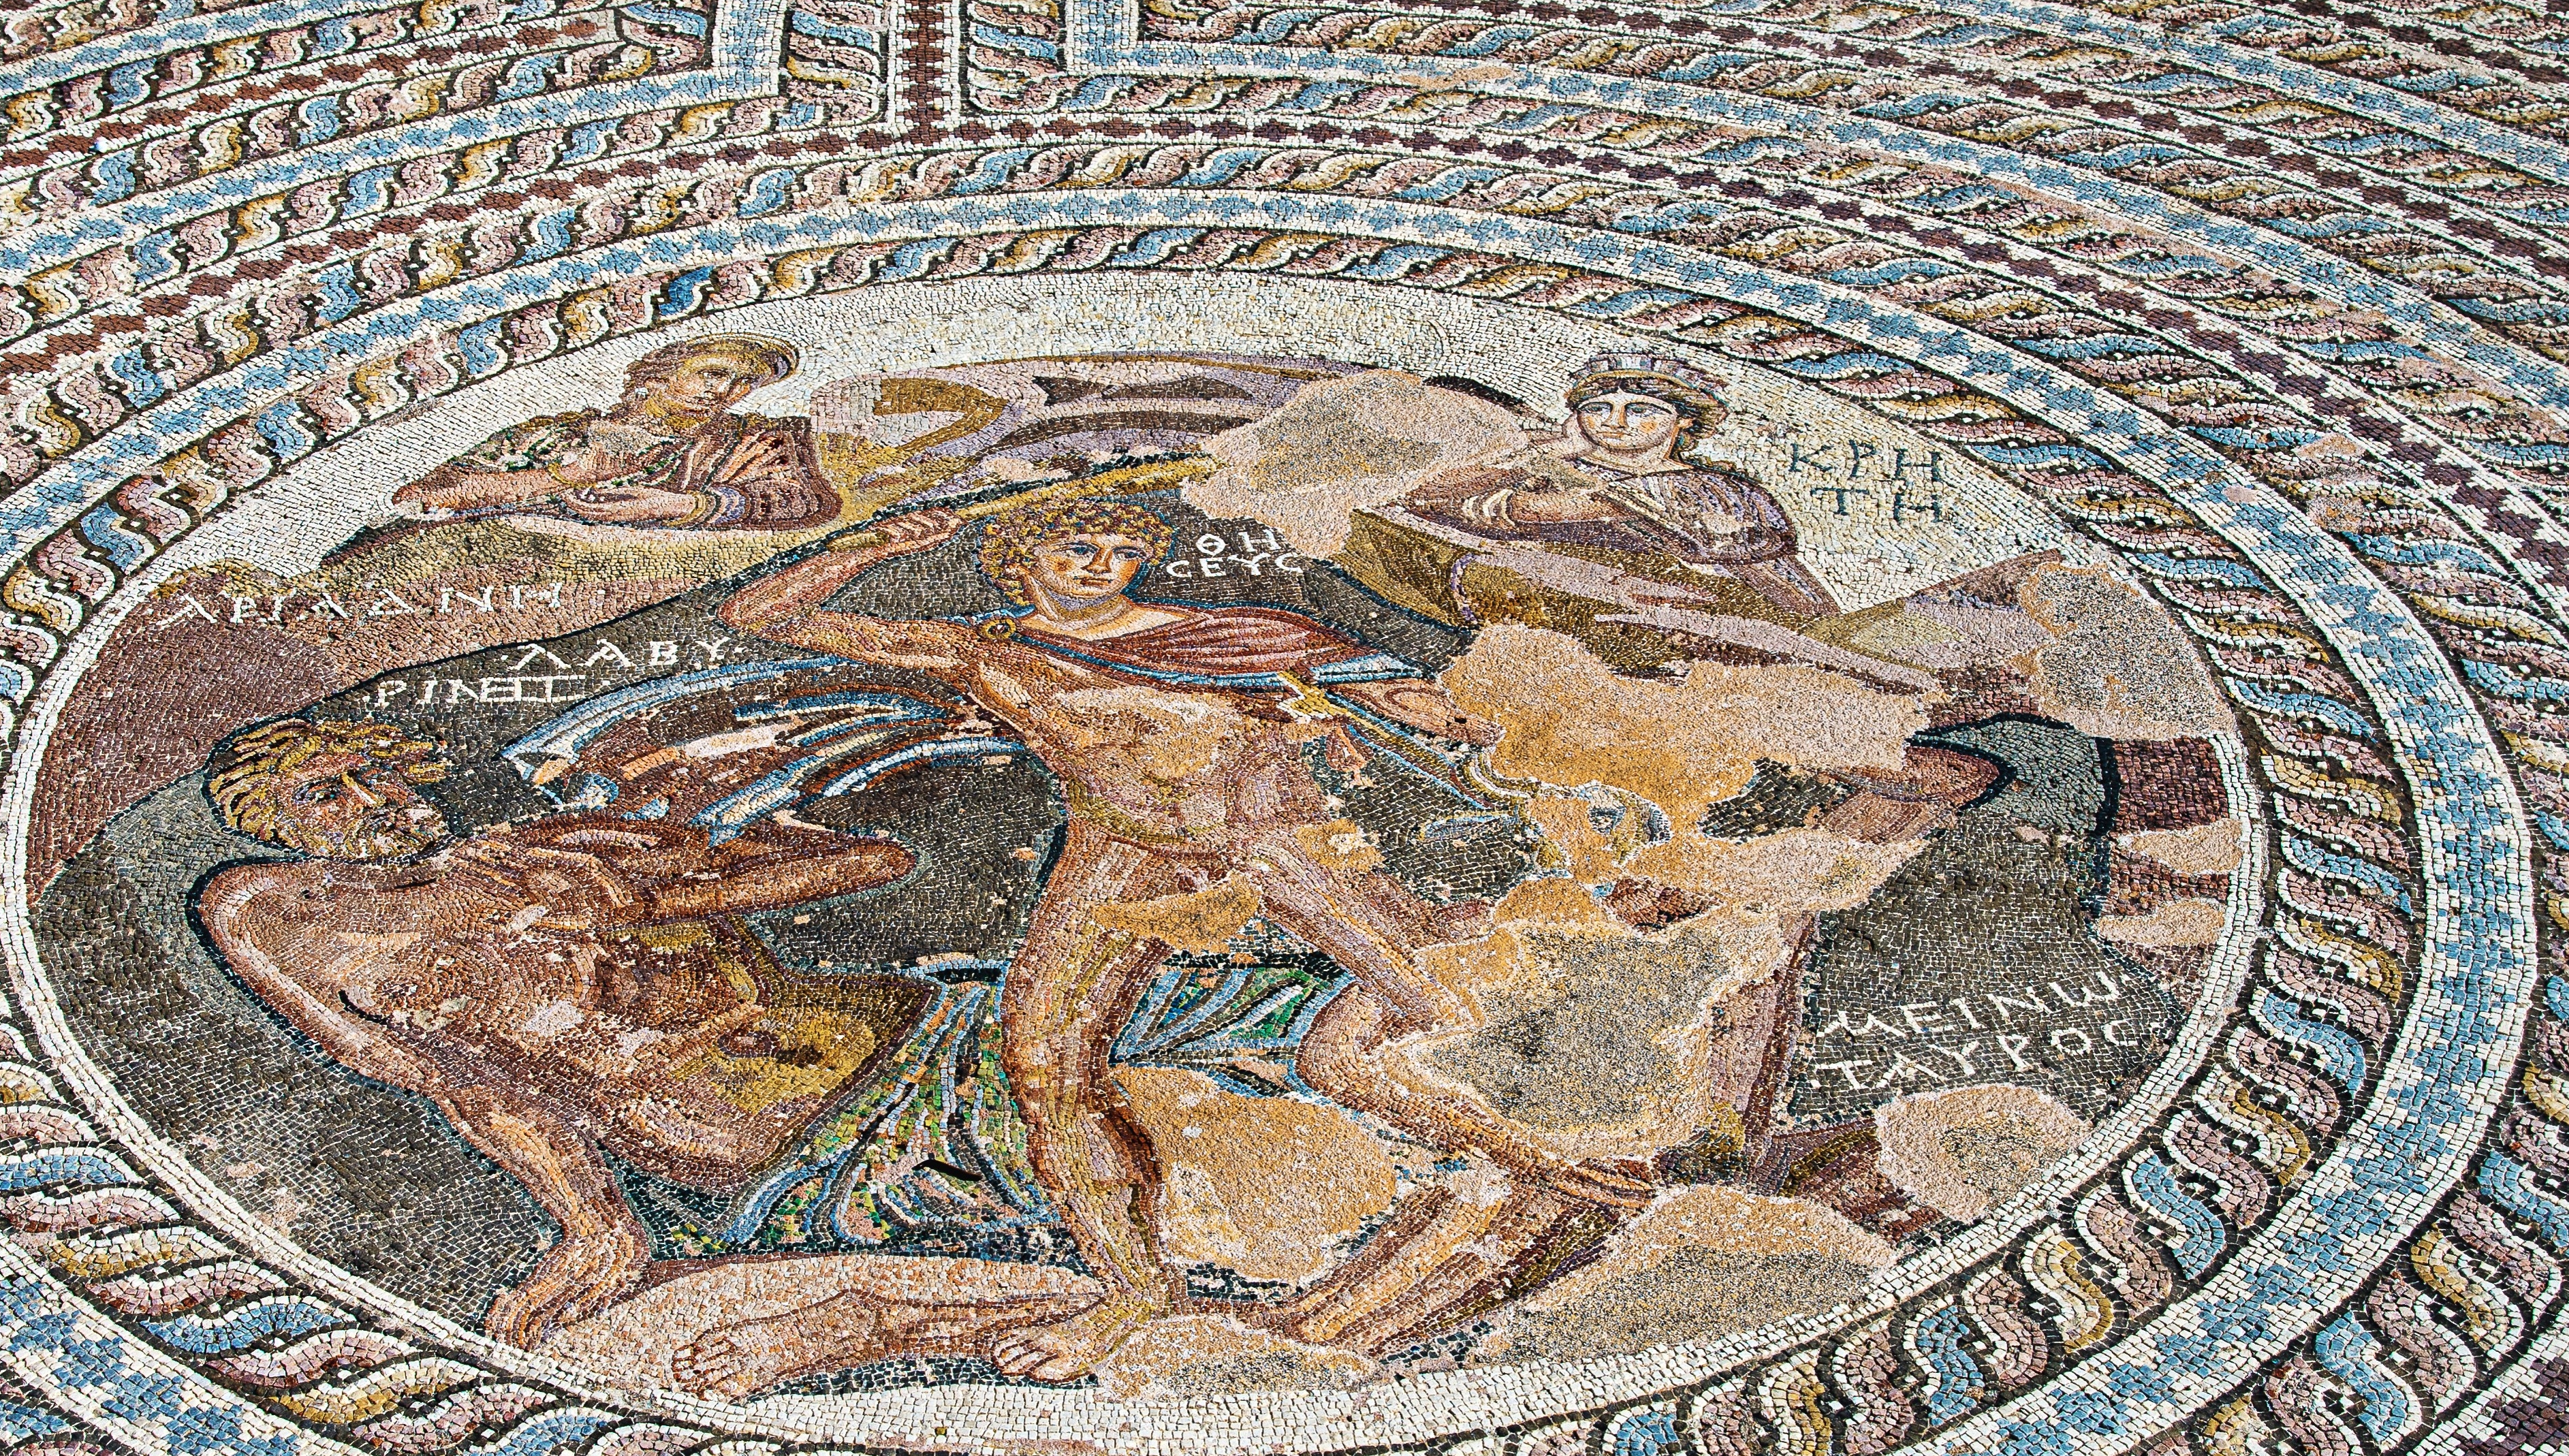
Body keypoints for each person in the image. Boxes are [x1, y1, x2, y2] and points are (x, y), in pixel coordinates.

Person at [722, 492, 1654, 1381]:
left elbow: (1413, 701)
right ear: (1019, 565)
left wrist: (1546, 741)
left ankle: (1558, 1154)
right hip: (1120, 848)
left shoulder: (1237, 636)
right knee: (1044, 1062)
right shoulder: (984, 653)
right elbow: (765, 612)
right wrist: (879, 547)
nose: (1102, 565)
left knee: (1435, 1007)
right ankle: (1131, 1291)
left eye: (1123, 550)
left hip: (1274, 840)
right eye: (1075, 550)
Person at [191, 711, 983, 1353]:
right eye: (323, 794)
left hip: (921, 1044)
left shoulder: (550, 849)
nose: (373, 801)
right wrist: (593, 1224)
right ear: (270, 824)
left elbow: (872, 858)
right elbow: (466, 1083)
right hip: (777, 1161)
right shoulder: (271, 912)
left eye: (378, 773)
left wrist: (648, 905)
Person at [1376, 353, 1869, 675]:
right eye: (1597, 407)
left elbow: (1547, 511)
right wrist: (1558, 448)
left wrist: (1503, 498)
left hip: (1692, 630)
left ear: (1684, 424)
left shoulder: (1710, 490)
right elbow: (1425, 493)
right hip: (1570, 628)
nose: (1613, 422)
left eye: (1639, 410)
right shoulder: (1559, 464)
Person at [388, 333, 836, 532]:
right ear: (656, 377)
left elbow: (805, 502)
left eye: (744, 383)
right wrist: (562, 478)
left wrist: (678, 504)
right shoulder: (554, 435)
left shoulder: (761, 437)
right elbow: (421, 497)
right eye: (712, 373)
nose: (725, 391)